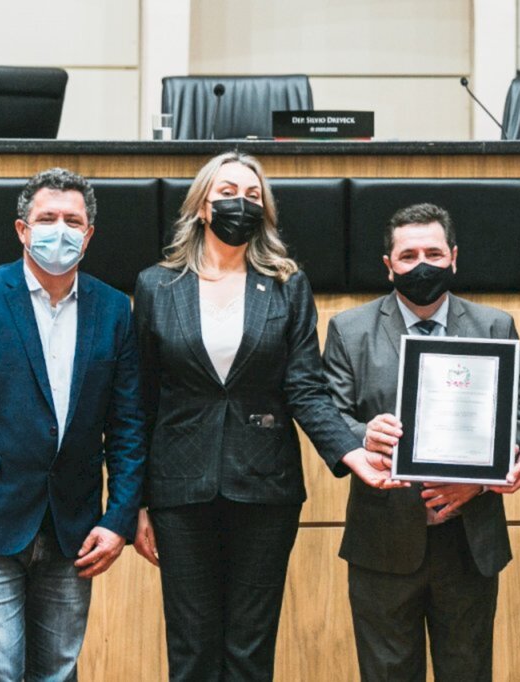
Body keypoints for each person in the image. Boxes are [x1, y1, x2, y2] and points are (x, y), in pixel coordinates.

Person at [132, 151, 397, 680]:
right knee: (191, 651)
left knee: (251, 650)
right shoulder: (157, 286)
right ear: (203, 207)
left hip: (265, 489)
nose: (241, 203)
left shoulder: (285, 284)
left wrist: (349, 451)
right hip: (179, 489)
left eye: (254, 196)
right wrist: (134, 503)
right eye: (229, 192)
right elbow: (141, 400)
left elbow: (304, 387)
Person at [0, 167, 145, 681]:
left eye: (72, 220)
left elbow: (128, 427)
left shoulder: (113, 309)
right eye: (47, 218)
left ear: (88, 236)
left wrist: (119, 519)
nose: (59, 230)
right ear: (22, 229)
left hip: (75, 529)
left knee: (59, 673)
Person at [322, 203, 520, 682]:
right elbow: (329, 415)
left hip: (468, 539)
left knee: (468, 671)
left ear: (454, 258)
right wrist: (365, 434)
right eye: (409, 254)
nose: (422, 264)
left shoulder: (494, 326)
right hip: (381, 541)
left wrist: (478, 483)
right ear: (389, 265)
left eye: (434, 253)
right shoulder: (349, 330)